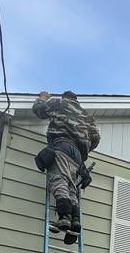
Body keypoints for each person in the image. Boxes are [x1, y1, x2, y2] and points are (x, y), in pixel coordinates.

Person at [32, 90, 100, 243]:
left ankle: (64, 217)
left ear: (65, 98)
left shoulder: (60, 104)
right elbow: (96, 138)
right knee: (71, 189)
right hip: (78, 157)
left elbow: (39, 110)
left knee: (59, 180)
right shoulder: (88, 117)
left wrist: (42, 98)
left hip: (61, 146)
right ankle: (75, 220)